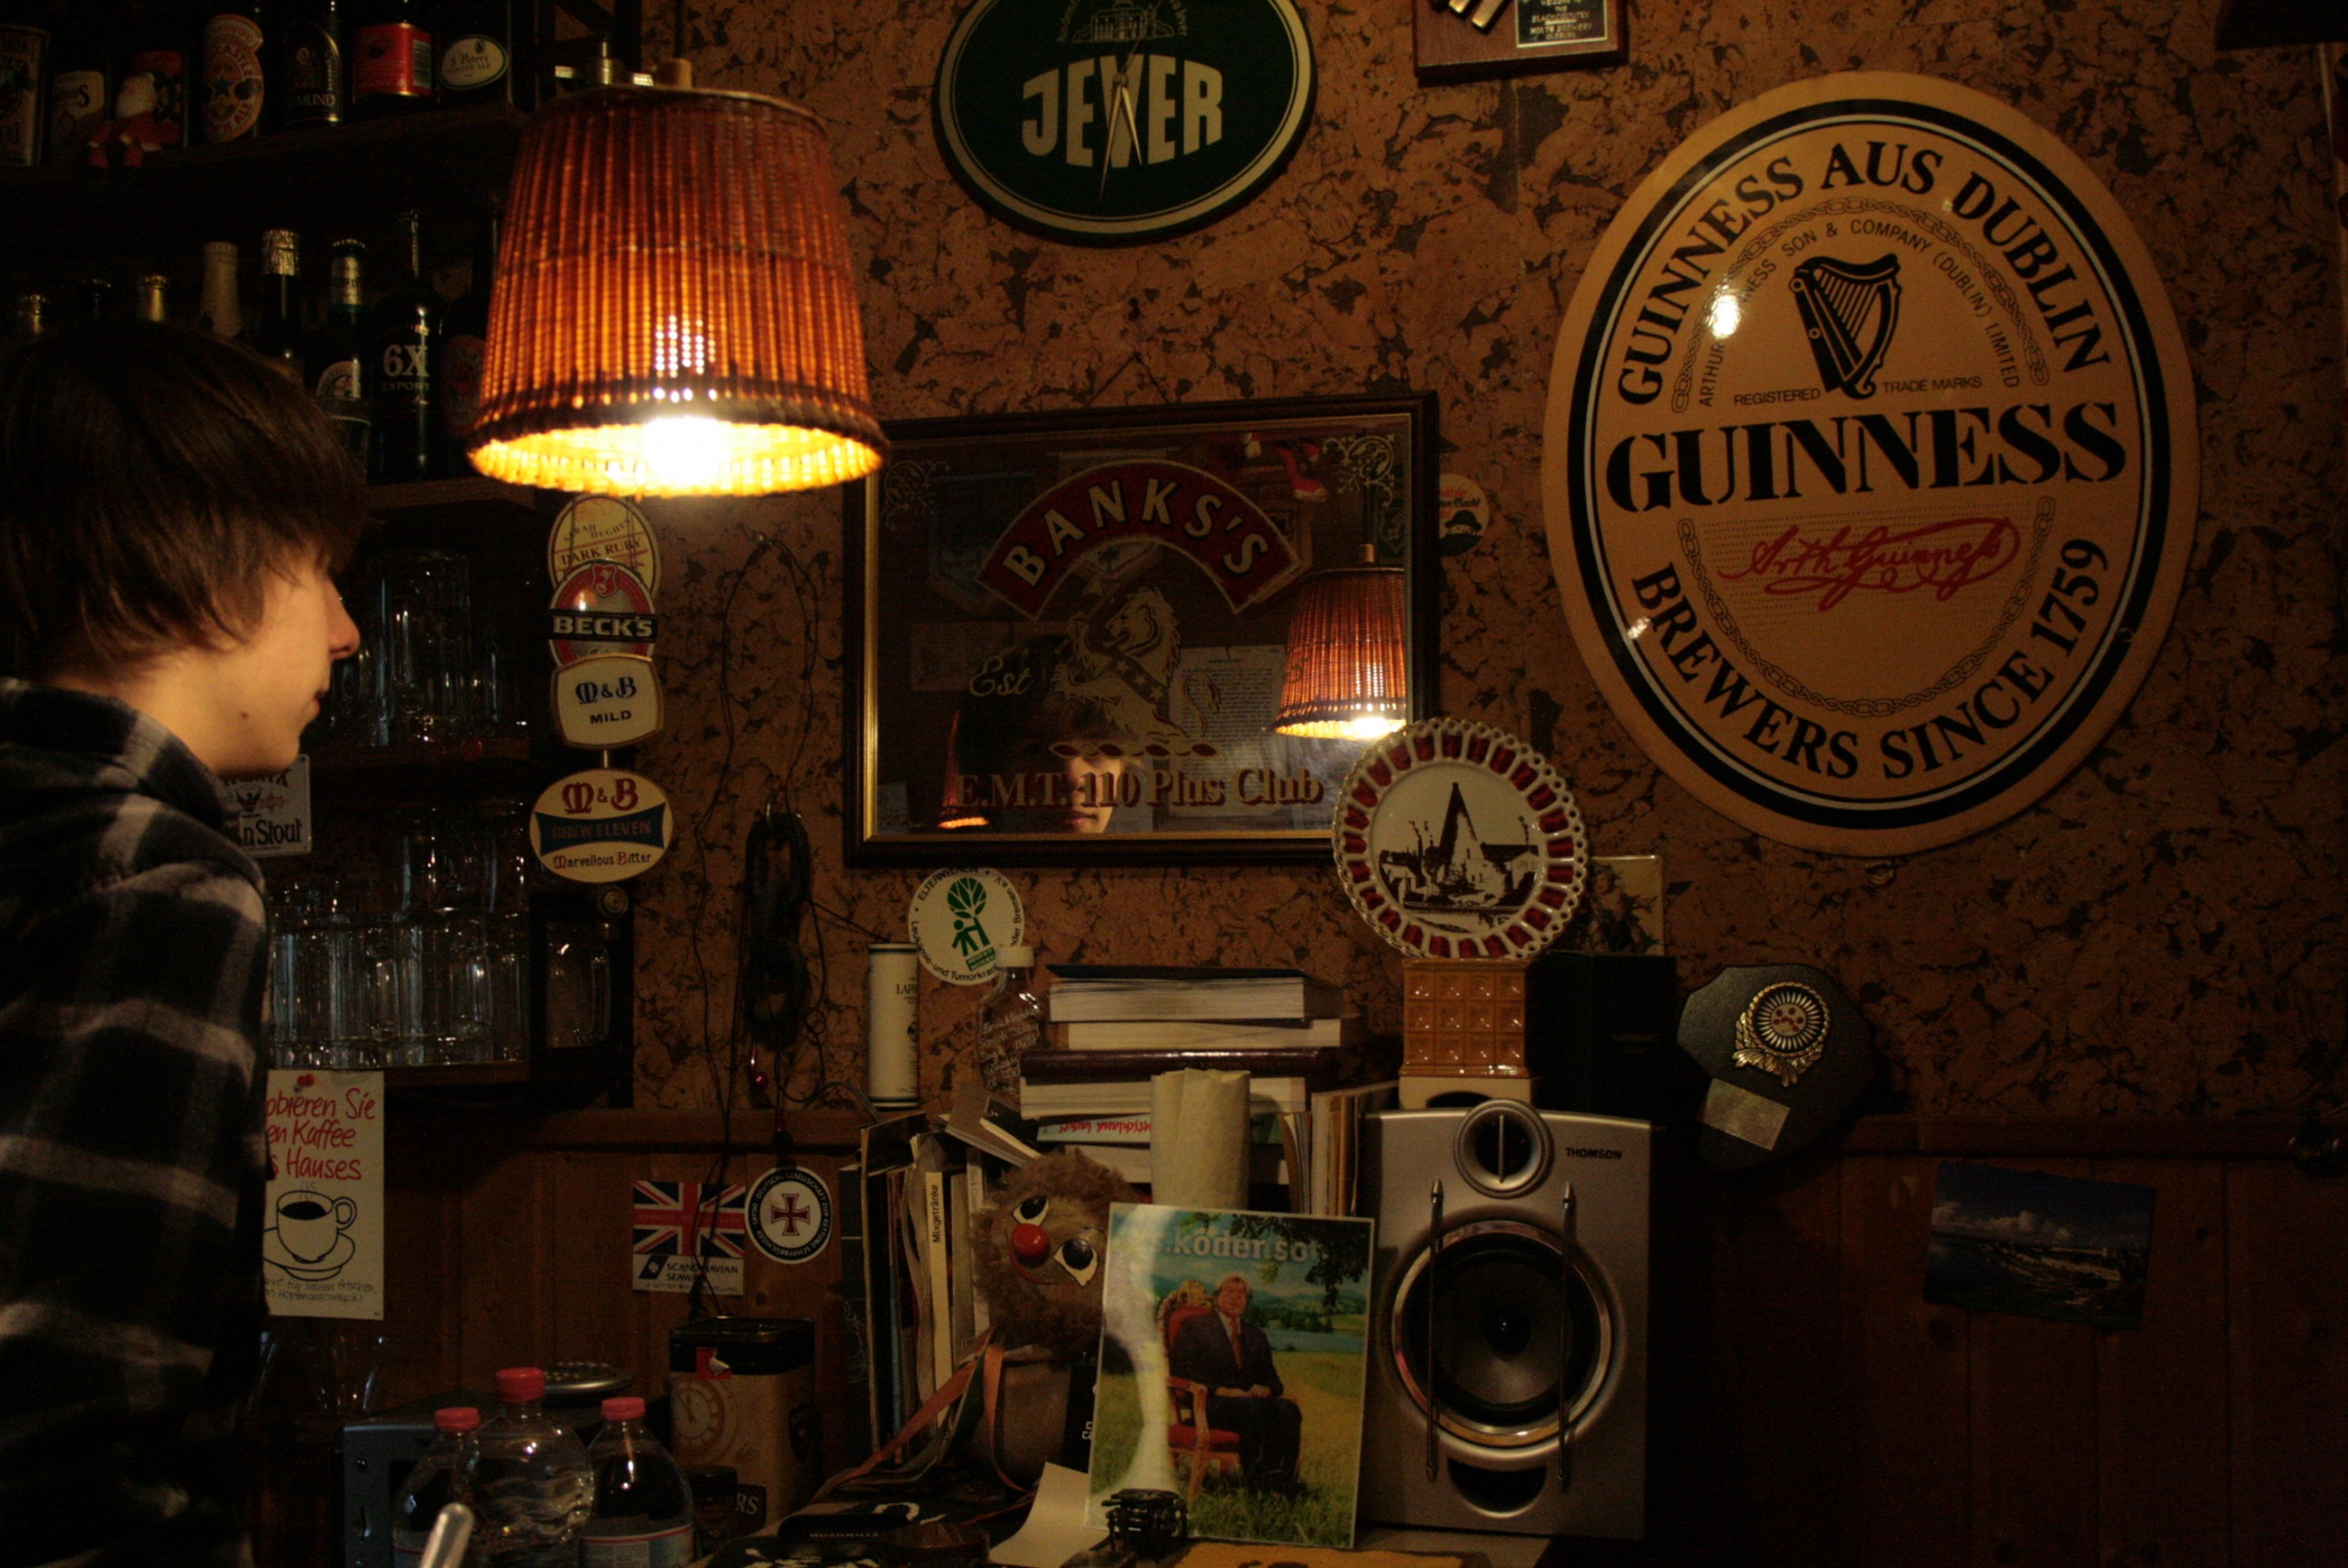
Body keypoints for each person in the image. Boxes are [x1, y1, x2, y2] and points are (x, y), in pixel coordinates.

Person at [0, 321, 364, 1565]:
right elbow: (68, 1438)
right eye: (319, 571)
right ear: (201, 568)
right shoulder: (157, 873)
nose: (345, 630)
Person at [1168, 1275, 1302, 1489]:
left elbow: (1274, 1380)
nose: (1235, 1298)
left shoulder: (1257, 1336)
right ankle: (1256, 1484)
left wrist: (1267, 1389)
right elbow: (1182, 1371)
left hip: (1250, 1404)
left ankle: (1281, 1483)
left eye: (1241, 1294)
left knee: (1288, 1409)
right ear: (1216, 1298)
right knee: (1254, 1410)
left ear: (1247, 1302)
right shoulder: (1195, 1326)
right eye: (1229, 1292)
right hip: (1210, 1403)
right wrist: (1221, 1390)